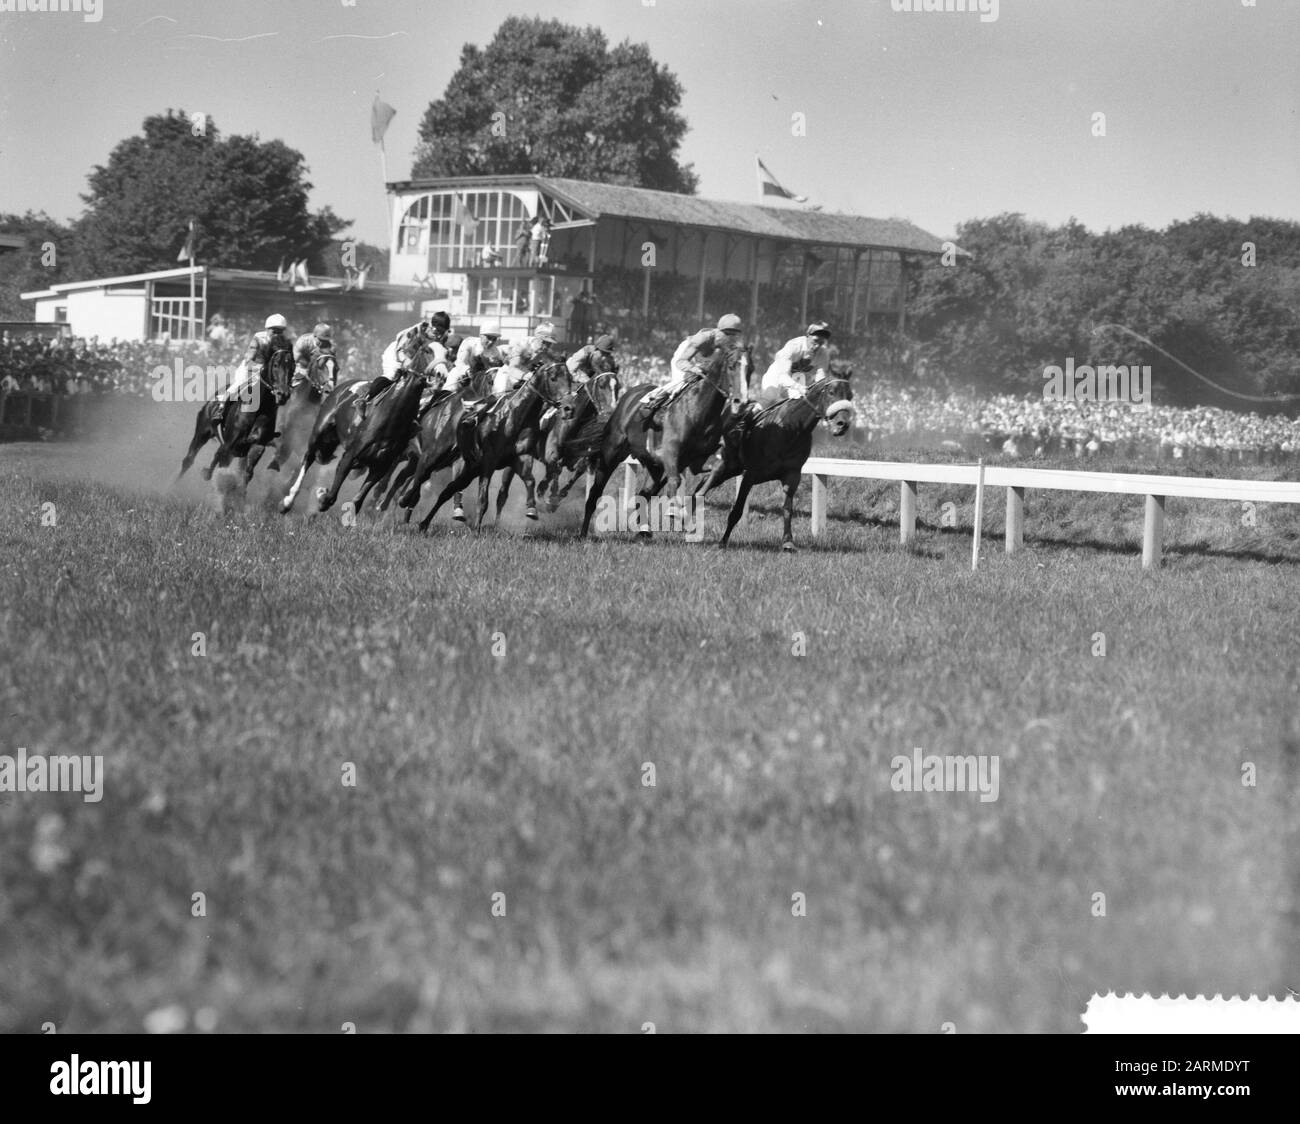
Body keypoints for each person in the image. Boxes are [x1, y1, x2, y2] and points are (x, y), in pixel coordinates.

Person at [640, 313, 744, 425]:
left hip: (704, 360)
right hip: (686, 356)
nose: (731, 338)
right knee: (684, 381)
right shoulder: (703, 338)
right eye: (728, 334)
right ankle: (653, 400)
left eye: (734, 335)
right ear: (719, 331)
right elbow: (681, 362)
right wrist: (693, 369)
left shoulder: (731, 345)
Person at [362, 311, 451, 417]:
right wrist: (405, 364)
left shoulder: (441, 340)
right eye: (439, 331)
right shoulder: (418, 330)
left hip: (416, 360)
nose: (440, 335)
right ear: (434, 327)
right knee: (393, 374)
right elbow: (401, 347)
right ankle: (365, 399)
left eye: (443, 332)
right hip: (397, 353)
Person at [222, 314, 294, 405]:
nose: (277, 334)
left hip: (273, 371)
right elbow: (250, 355)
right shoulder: (259, 338)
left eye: (280, 331)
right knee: (238, 384)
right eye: (274, 331)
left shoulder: (286, 342)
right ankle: (221, 406)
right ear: (267, 329)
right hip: (254, 367)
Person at [759, 322, 832, 402]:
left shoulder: (824, 353)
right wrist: (798, 387)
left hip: (796, 377)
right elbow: (783, 376)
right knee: (769, 400)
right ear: (808, 335)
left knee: (802, 403)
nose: (817, 346)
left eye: (821, 343)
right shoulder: (794, 346)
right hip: (777, 373)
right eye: (815, 340)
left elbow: (820, 379)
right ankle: (750, 413)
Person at [444, 322, 505, 395]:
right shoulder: (469, 343)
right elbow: (460, 362)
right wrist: (467, 371)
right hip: (462, 374)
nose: (491, 342)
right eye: (488, 338)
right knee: (450, 386)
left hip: (481, 380)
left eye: (494, 339)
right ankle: (438, 401)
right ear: (481, 336)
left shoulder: (496, 352)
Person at [293, 322, 336, 390]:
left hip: (319, 366)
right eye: (321, 340)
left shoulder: (330, 345)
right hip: (302, 364)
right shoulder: (303, 341)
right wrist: (307, 368)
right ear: (314, 336)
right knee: (298, 378)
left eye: (326, 341)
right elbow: (297, 359)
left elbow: (331, 363)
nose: (323, 343)